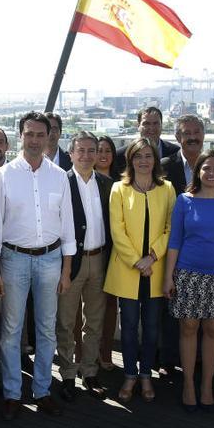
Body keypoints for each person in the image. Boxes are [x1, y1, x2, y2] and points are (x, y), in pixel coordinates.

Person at [0, 111, 76, 421]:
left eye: (41, 134)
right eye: (30, 134)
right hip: (13, 259)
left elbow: (67, 226)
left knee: (46, 329)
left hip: (51, 259)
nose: (36, 139)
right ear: (21, 136)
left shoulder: (59, 176)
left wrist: (67, 270)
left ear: (49, 136)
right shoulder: (4, 175)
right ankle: (13, 393)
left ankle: (42, 391)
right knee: (11, 329)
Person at [163, 150, 214, 412]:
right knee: (188, 327)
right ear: (198, 172)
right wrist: (168, 277)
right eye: (206, 168)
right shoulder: (185, 200)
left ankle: (206, 386)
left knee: (213, 330)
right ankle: (188, 384)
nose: (211, 173)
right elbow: (175, 241)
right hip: (187, 274)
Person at [104, 138, 175, 402]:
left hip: (155, 269)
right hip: (128, 269)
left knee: (152, 327)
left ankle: (146, 374)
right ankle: (130, 375)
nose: (143, 161)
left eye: (148, 156)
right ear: (130, 160)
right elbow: (117, 230)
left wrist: (152, 257)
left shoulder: (167, 189)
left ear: (155, 160)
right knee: (130, 325)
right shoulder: (118, 189)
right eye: (138, 156)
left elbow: (171, 228)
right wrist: (137, 261)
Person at [56, 131, 113, 401]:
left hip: (100, 259)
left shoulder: (107, 183)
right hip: (71, 262)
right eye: (82, 150)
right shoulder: (61, 183)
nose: (88, 155)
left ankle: (89, 373)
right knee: (66, 322)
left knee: (95, 321)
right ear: (71, 154)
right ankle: (67, 374)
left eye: (93, 150)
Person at [158, 114, 206, 373]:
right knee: (171, 304)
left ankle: (196, 360)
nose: (192, 137)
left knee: (200, 305)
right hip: (171, 246)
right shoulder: (165, 165)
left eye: (197, 132)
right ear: (177, 138)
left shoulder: (212, 166)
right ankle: (168, 359)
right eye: (186, 133)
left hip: (202, 248)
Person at [95, 134, 119, 371]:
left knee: (111, 305)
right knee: (87, 307)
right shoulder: (86, 180)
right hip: (92, 250)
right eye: (98, 150)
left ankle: (106, 352)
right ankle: (84, 353)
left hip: (116, 250)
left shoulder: (121, 183)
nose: (103, 155)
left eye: (107, 150)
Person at [112, 107, 180, 178]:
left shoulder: (175, 152)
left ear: (161, 125)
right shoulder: (120, 156)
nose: (151, 128)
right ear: (138, 126)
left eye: (155, 123)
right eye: (146, 123)